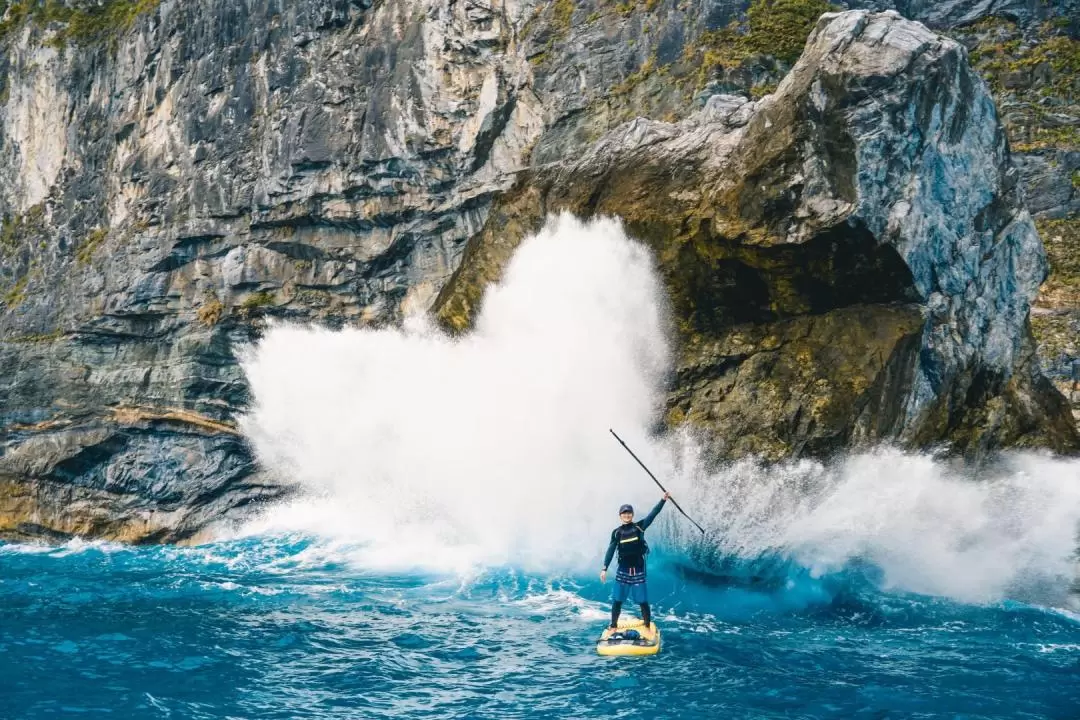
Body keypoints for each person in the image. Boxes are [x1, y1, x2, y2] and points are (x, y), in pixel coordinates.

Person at [600, 492, 670, 632]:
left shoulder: (639, 527)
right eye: (624, 513)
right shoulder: (616, 532)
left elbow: (653, 514)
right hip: (623, 571)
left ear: (632, 514)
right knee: (617, 600)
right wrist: (604, 568)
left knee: (642, 601)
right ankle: (613, 626)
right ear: (620, 515)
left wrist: (663, 500)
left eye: (629, 513)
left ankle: (647, 626)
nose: (626, 515)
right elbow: (611, 550)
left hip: (638, 570)